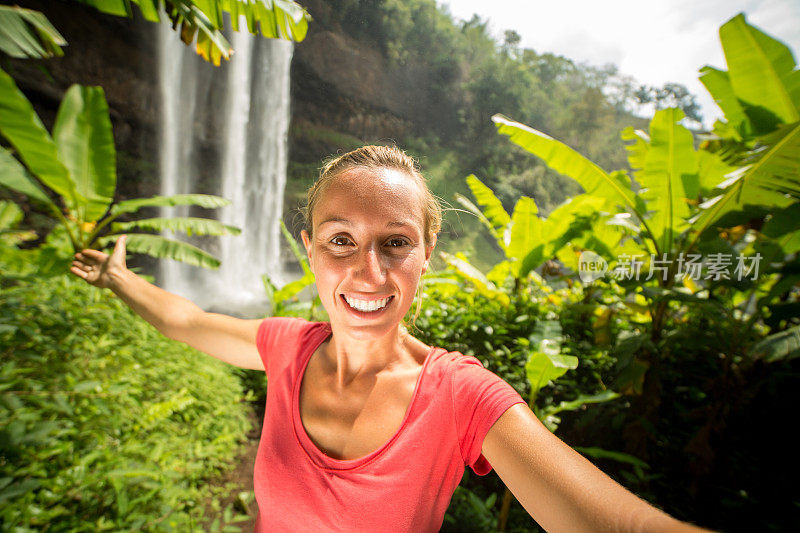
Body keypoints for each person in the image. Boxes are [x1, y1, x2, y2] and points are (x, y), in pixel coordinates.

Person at [71, 145, 706, 532]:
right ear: (310, 252)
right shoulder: (286, 347)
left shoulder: (462, 396)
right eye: (340, 240)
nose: (368, 272)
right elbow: (185, 320)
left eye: (395, 243)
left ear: (427, 252)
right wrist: (119, 279)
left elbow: (616, 523)